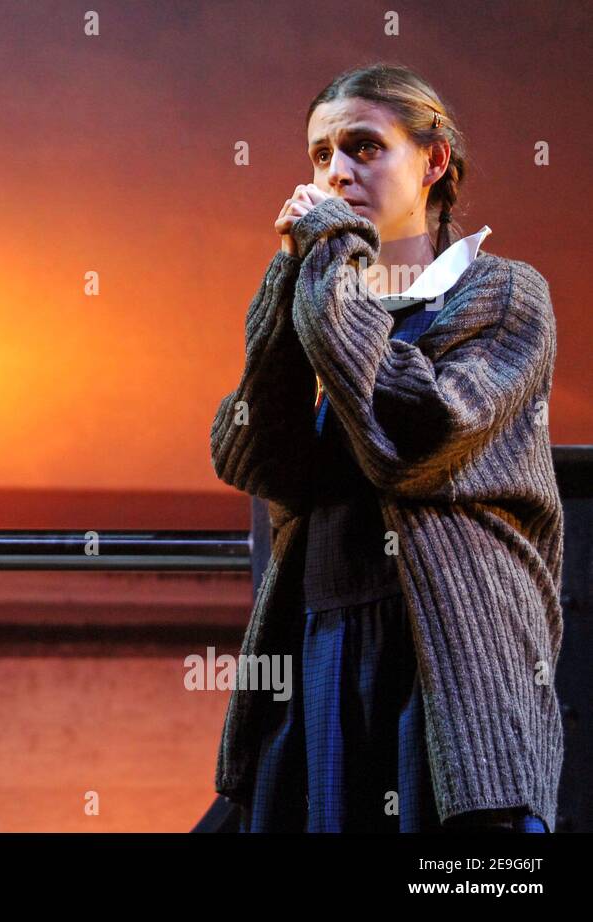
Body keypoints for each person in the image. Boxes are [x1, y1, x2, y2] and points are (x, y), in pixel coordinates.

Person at [209, 62, 562, 832]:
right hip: (322, 648)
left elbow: (420, 433)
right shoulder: (323, 295)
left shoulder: (503, 295)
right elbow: (254, 460)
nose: (336, 172)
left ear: (434, 162)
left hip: (446, 655)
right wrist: (287, 283)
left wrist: (327, 262)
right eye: (320, 154)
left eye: (364, 147)